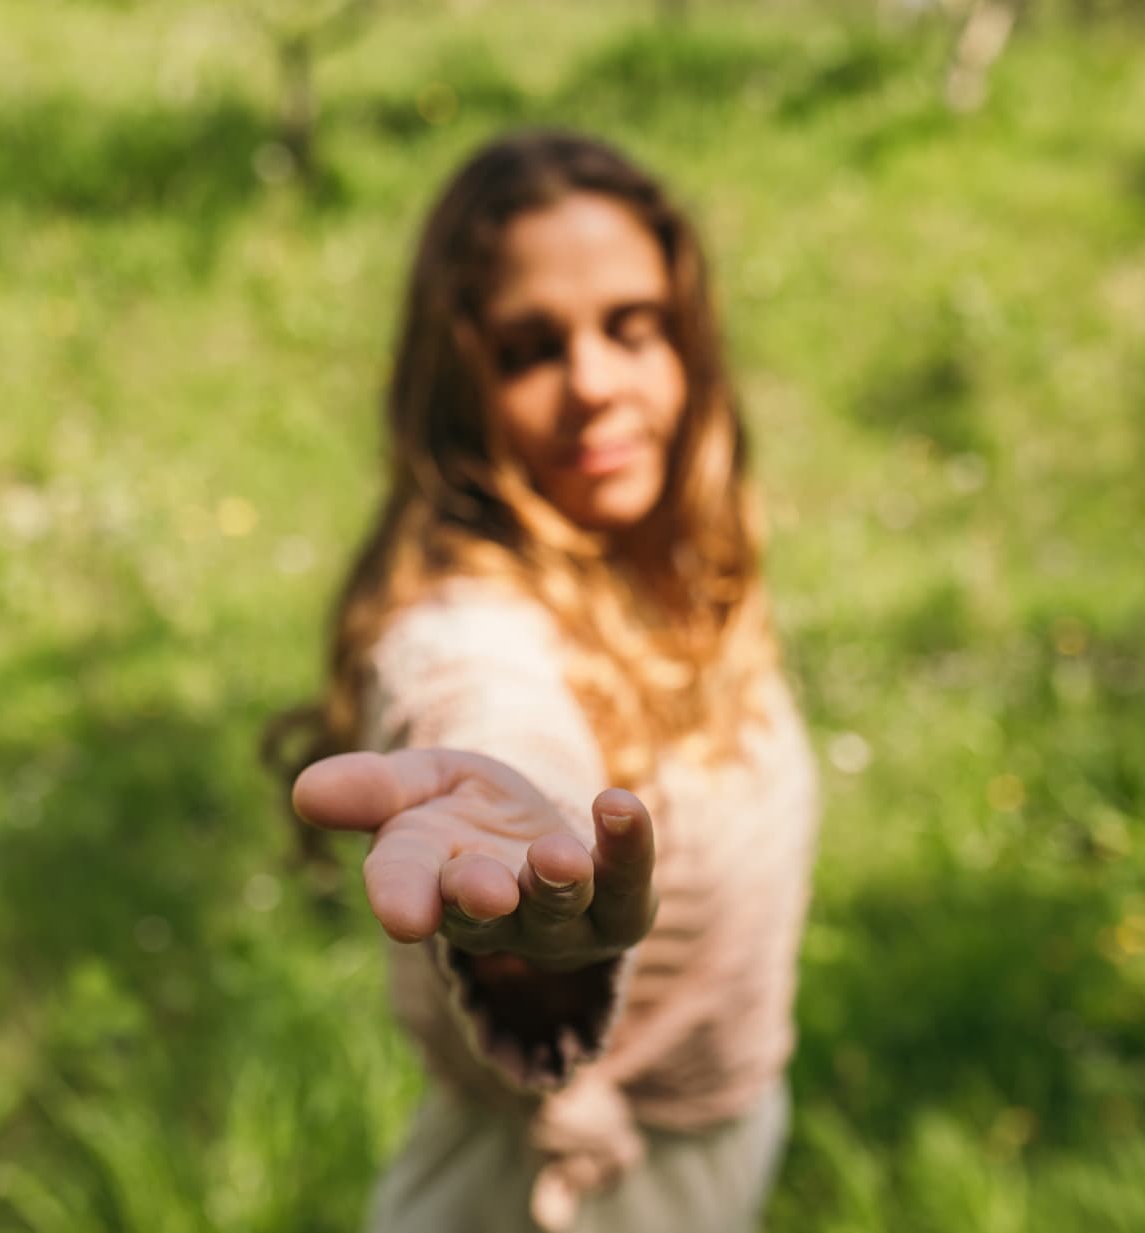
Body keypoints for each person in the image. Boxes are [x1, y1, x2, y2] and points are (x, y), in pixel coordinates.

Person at [275, 129, 820, 1233]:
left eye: (633, 328)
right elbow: (491, 713)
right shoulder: (456, 625)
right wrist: (524, 871)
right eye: (529, 350)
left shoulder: (670, 574)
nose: (593, 386)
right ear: (458, 382)